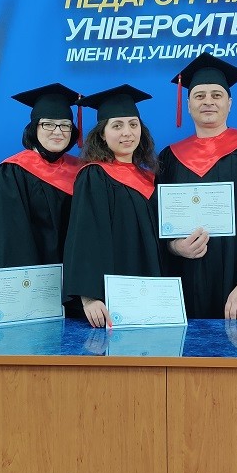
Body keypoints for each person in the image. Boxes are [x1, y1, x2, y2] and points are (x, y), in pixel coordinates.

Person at [157, 53, 237, 320]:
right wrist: (174, 246)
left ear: (229, 103)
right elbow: (157, 221)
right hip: (185, 278)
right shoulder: (170, 157)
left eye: (216, 95)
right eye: (199, 95)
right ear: (188, 105)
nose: (208, 101)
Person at [62, 85, 164, 328]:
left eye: (133, 124)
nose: (127, 132)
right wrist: (90, 296)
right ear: (102, 135)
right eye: (117, 126)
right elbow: (86, 236)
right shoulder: (94, 176)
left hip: (151, 292)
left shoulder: (149, 178)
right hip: (111, 300)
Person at [0, 83, 82, 316]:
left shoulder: (83, 172)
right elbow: (9, 239)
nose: (58, 131)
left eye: (65, 125)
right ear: (34, 128)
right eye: (48, 124)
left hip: (74, 289)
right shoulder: (13, 172)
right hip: (31, 292)